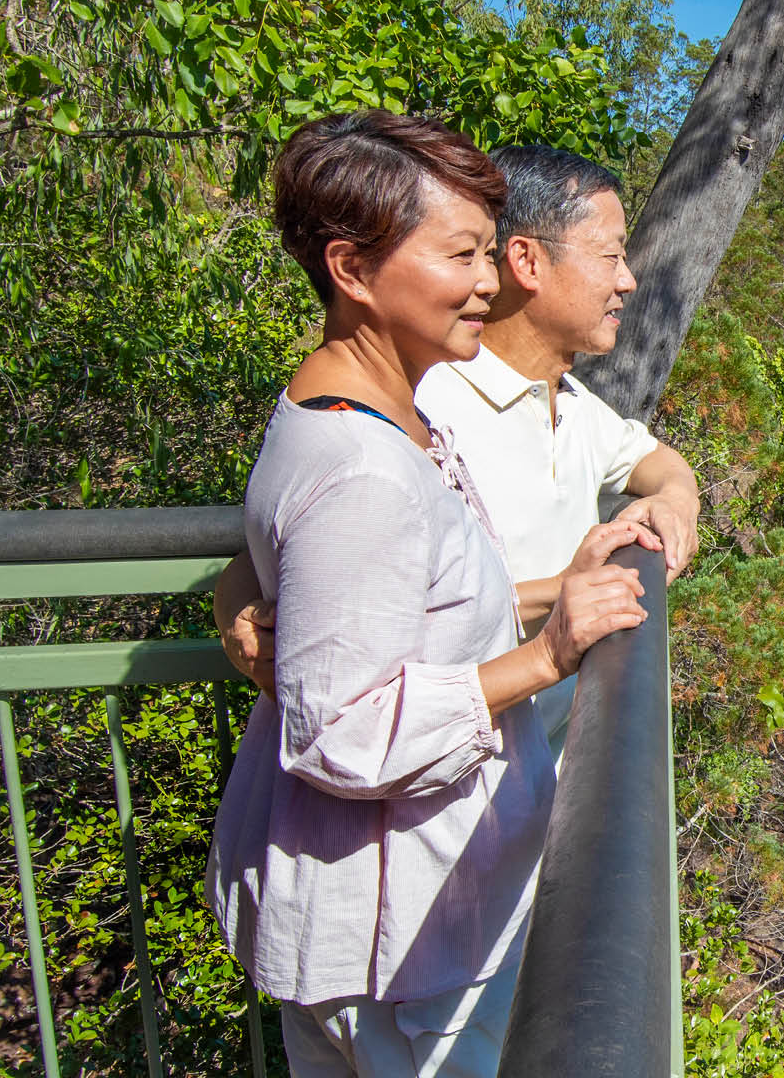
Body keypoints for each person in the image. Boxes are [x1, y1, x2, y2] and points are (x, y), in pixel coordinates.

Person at [206, 110, 648, 1077]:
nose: (489, 284)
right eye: (461, 256)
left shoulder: (363, 403)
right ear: (352, 271)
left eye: (491, 255)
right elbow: (339, 734)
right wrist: (546, 655)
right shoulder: (365, 462)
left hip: (392, 918)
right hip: (402, 941)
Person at [217, 144, 700, 750]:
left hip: (532, 779)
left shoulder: (567, 400)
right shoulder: (419, 405)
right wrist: (236, 617)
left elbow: (654, 460)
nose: (627, 280)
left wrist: (675, 501)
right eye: (610, 256)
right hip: (438, 792)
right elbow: (294, 557)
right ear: (528, 261)